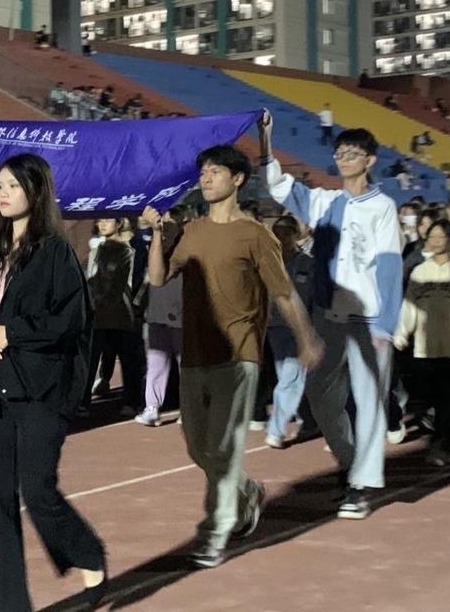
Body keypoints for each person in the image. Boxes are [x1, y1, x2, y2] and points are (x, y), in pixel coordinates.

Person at [145, 113, 323, 568]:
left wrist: (306, 338)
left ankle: (214, 532)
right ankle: (247, 490)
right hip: (195, 353)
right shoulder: (192, 232)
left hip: (239, 354)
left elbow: (283, 292)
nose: (205, 178)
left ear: (237, 179)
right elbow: (159, 278)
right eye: (202, 172)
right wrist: (157, 235)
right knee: (197, 446)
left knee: (224, 447)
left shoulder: (256, 235)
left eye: (215, 171)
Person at [0, 153, 106, 611]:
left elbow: (71, 319)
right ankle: (9, 605)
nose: (2, 193)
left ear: (35, 193)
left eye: (13, 186)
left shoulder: (55, 251)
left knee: (37, 490)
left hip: (40, 389)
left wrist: (12, 332)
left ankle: (86, 552)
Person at [259, 119, 402, 520]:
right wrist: (266, 140)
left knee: (369, 400)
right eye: (339, 153)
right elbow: (278, 186)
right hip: (328, 316)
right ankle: (350, 461)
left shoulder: (382, 207)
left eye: (352, 153)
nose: (343, 159)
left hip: (368, 319)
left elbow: (389, 266)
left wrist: (386, 324)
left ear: (370, 160)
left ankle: (360, 487)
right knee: (320, 394)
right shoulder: (324, 201)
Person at [394, 219, 450, 466]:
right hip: (425, 347)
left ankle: (441, 446)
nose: (436, 241)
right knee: (432, 399)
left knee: (449, 399)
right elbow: (409, 306)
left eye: (441, 237)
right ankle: (444, 442)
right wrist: (402, 333)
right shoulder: (420, 271)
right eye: (432, 236)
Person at [264, 215, 316, 449]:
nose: (282, 238)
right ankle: (310, 419)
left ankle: (275, 430)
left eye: (286, 233)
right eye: (277, 233)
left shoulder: (308, 264)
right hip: (275, 328)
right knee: (287, 377)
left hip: (300, 329)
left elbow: (316, 297)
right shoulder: (268, 263)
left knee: (290, 378)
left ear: (296, 235)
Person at [84, 217, 142, 416]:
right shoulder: (96, 250)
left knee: (127, 360)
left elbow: (122, 282)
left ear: (119, 224)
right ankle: (83, 401)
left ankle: (131, 400)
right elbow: (91, 279)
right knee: (91, 358)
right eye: (100, 220)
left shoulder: (127, 251)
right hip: (97, 315)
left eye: (108, 220)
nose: (102, 224)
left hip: (120, 313)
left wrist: (104, 299)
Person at [135, 209, 187, 427]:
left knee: (186, 368)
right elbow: (148, 283)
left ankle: (189, 410)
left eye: (169, 231)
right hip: (156, 318)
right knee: (155, 365)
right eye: (163, 231)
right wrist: (139, 305)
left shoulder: (185, 256)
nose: (165, 235)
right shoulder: (155, 252)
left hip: (181, 321)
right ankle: (152, 408)